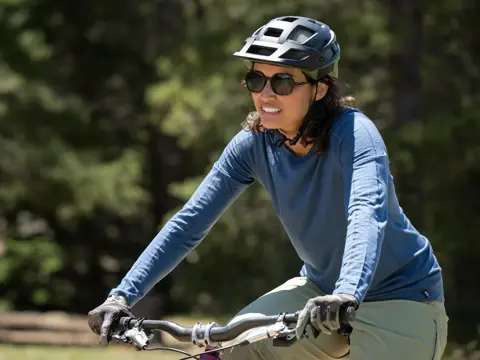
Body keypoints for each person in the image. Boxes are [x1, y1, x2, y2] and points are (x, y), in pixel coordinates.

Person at [88, 16, 448, 360]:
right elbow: (189, 222)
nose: (266, 93)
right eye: (257, 79)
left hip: (402, 297)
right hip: (320, 294)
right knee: (229, 350)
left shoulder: (355, 135)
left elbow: (366, 212)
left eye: (283, 82)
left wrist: (347, 292)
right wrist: (121, 297)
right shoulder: (254, 143)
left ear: (320, 89)